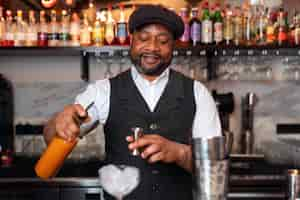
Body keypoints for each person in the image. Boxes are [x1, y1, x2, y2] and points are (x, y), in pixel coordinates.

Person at [43, 4, 221, 200]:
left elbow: (214, 170)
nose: (152, 47)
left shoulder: (198, 93)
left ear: (173, 47)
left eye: (163, 41)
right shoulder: (103, 91)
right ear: (131, 40)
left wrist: (179, 153)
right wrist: (58, 123)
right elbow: (54, 139)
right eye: (144, 38)